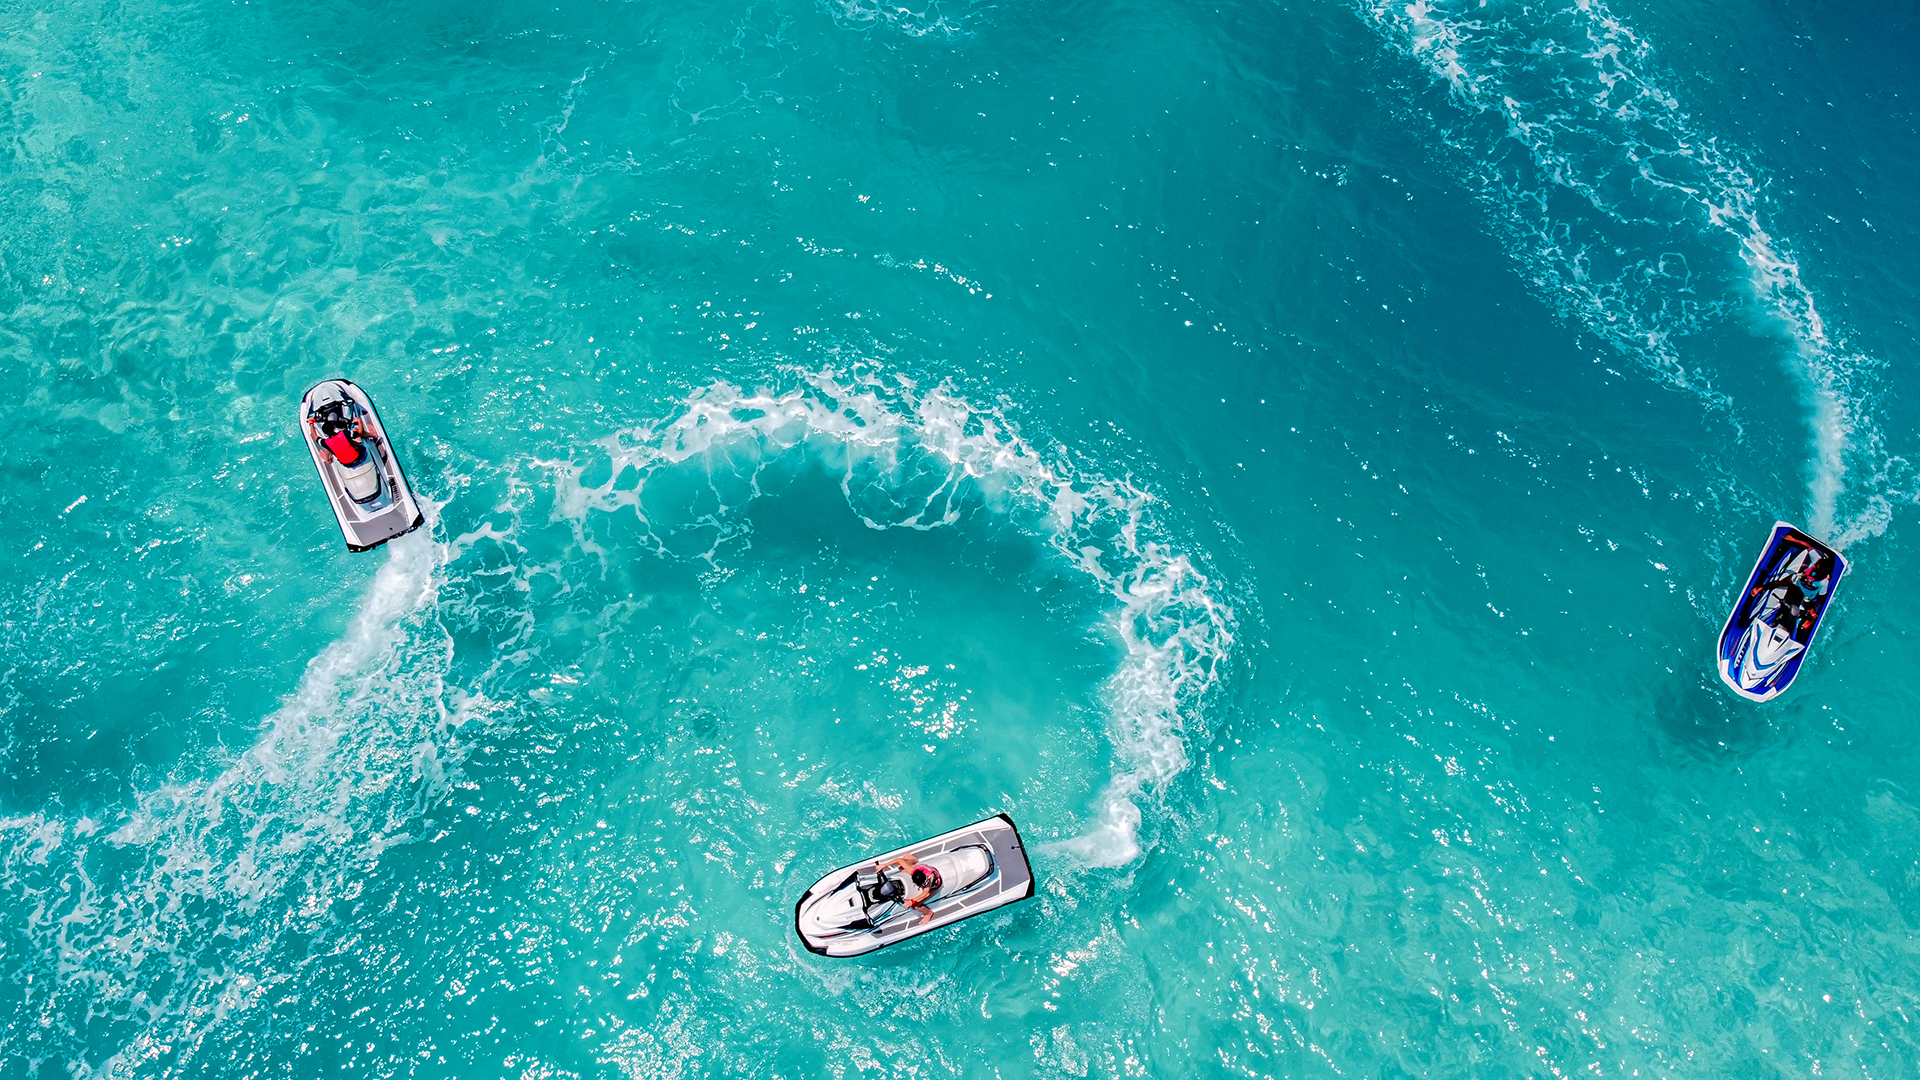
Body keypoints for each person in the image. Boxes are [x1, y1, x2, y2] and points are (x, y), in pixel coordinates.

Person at [1752, 554, 1832, 634]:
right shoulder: (1815, 560)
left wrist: (1814, 607)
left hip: (1808, 594)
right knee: (1780, 582)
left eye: (1818, 566)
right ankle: (1762, 587)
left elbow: (1822, 596)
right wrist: (1793, 540)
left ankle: (1808, 621)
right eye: (1817, 564)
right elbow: (1809, 547)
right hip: (1798, 582)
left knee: (1809, 611)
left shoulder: (1823, 582)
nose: (1815, 566)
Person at [876, 854, 943, 925]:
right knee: (902, 868)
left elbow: (925, 893)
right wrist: (884, 866)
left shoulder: (929, 880)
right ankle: (913, 860)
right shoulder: (912, 870)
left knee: (915, 906)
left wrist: (912, 901)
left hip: (935, 884)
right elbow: (899, 860)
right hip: (924, 870)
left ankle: (928, 913)